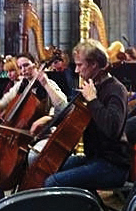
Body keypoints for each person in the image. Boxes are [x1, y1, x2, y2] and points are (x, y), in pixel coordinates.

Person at [43, 39, 130, 191]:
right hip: (93, 158)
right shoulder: (93, 86)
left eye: (79, 65)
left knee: (53, 182)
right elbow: (74, 117)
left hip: (113, 165)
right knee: (47, 167)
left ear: (94, 64)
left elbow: (112, 129)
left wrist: (93, 100)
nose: (76, 71)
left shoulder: (116, 89)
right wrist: (49, 121)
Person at [0, 52, 68, 132]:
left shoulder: (48, 83)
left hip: (42, 132)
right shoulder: (21, 84)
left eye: (26, 65)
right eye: (20, 67)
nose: (23, 70)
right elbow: (5, 100)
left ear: (35, 65)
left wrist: (46, 84)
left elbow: (63, 107)